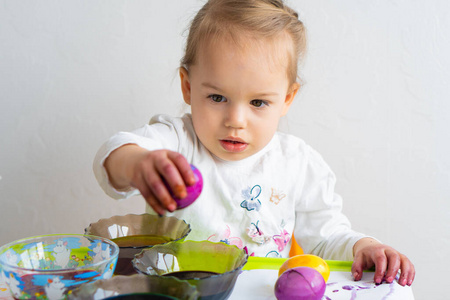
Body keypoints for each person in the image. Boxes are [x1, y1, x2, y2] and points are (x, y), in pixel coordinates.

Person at [93, 0, 415, 286]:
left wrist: (365, 247)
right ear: (188, 87)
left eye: (258, 102)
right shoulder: (176, 143)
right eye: (217, 97)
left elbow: (327, 238)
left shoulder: (297, 163)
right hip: (178, 293)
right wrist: (137, 164)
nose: (236, 119)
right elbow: (113, 156)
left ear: (287, 98)